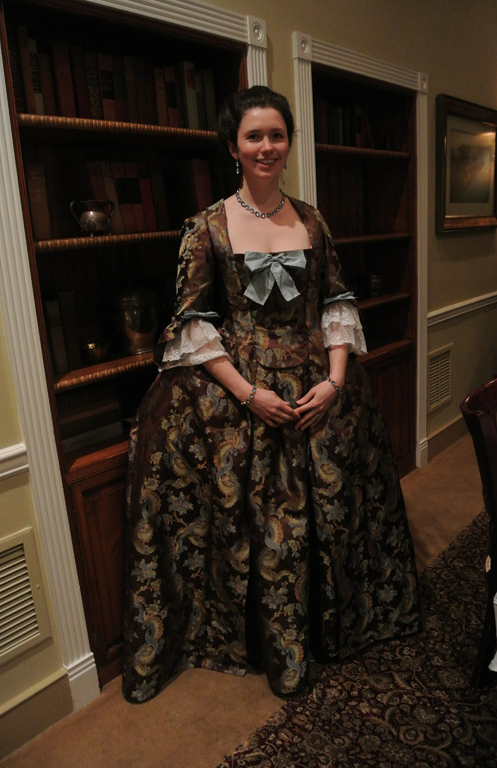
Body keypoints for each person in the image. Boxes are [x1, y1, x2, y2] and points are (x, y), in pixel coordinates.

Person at [122, 85, 421, 703]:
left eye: (276, 135)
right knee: (260, 522)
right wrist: (249, 394)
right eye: (253, 136)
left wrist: (335, 382)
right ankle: (273, 649)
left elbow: (336, 303)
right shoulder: (205, 227)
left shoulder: (312, 220)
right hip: (242, 388)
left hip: (318, 383)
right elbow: (193, 323)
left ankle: (329, 629)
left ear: (288, 143)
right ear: (233, 147)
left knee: (333, 509)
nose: (266, 146)